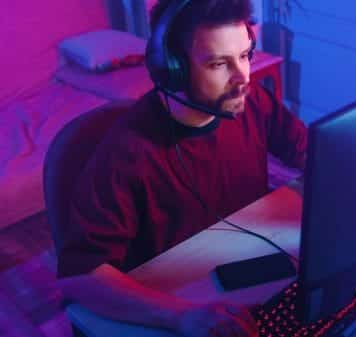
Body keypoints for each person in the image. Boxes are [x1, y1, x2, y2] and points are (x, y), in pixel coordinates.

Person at [56, 0, 307, 336]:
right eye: (219, 63)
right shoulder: (127, 151)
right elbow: (79, 278)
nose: (243, 77)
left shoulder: (253, 103)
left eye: (245, 55)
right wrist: (181, 317)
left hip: (244, 278)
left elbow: (311, 155)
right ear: (172, 68)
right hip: (174, 303)